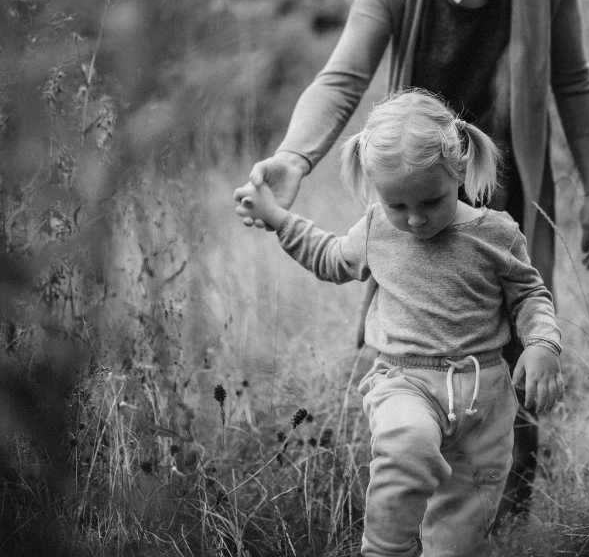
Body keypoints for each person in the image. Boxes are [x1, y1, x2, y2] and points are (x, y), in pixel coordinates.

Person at [232, 0, 589, 515]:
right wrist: (293, 158)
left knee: (518, 338)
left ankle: (505, 503)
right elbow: (344, 76)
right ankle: (413, 493)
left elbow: (573, 82)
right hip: (417, 188)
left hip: (514, 187)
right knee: (407, 341)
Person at [236, 90, 563, 556]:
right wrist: (276, 218)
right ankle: (385, 549)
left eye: (431, 201)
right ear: (376, 191)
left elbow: (530, 294)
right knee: (407, 442)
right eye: (397, 206)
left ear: (459, 170)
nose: (414, 220)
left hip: (484, 401)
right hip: (403, 381)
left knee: (458, 539)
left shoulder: (496, 232)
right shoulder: (376, 229)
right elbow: (330, 257)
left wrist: (542, 344)